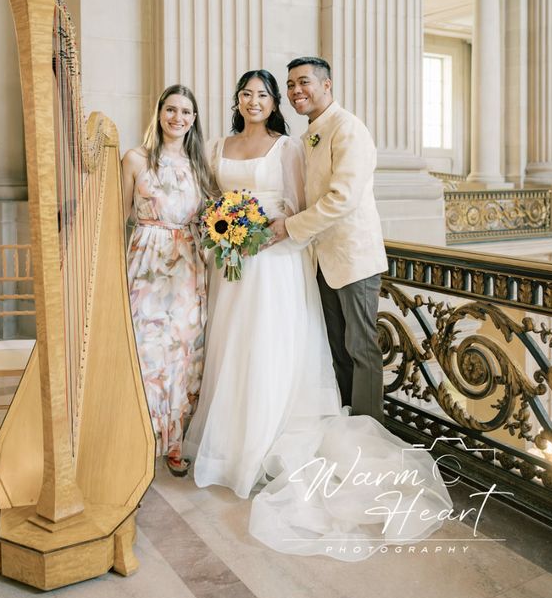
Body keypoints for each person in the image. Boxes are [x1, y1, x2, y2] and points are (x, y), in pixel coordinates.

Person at [184, 69, 451, 560]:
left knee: (347, 347)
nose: (262, 99)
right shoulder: (283, 138)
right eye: (250, 93)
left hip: (317, 253)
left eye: (273, 91)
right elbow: (212, 199)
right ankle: (243, 434)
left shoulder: (335, 131)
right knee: (267, 346)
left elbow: (321, 201)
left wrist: (277, 230)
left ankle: (365, 438)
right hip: (256, 257)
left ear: (325, 85)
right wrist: (223, 229)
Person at [269, 57, 387, 423]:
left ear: (326, 85)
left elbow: (343, 197)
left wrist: (290, 226)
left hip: (353, 257)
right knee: (338, 347)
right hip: (321, 259)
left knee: (361, 348)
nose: (295, 91)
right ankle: (347, 422)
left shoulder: (348, 128)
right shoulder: (309, 134)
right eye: (290, 85)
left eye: (303, 82)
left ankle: (370, 431)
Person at [122, 85, 214, 476]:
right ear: (159, 112)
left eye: (186, 112)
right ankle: (139, 439)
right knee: (144, 351)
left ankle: (175, 442)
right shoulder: (135, 159)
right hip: (145, 261)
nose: (178, 118)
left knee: (183, 353)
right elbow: (116, 218)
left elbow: (209, 219)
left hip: (188, 267)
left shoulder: (200, 164)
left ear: (194, 120)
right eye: (171, 109)